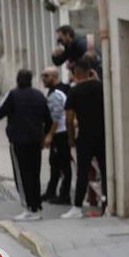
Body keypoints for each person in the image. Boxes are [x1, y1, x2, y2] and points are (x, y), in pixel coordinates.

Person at [0, 69, 52, 221]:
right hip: (36, 141)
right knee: (34, 173)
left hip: (19, 141)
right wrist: (46, 136)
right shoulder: (39, 95)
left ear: (18, 80)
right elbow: (48, 118)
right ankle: (36, 205)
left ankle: (28, 208)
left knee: (22, 174)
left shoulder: (13, 95)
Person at [62, 54, 106, 219]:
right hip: (102, 135)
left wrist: (71, 138)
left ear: (75, 73)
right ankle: (106, 204)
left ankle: (77, 207)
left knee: (82, 172)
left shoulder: (74, 91)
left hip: (85, 136)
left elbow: (69, 118)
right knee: (105, 169)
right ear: (90, 71)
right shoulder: (101, 86)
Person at [40, 66, 71, 206]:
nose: (43, 79)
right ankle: (51, 191)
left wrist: (49, 135)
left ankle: (64, 195)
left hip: (60, 134)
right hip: (58, 133)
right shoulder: (56, 91)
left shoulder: (56, 93)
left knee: (63, 165)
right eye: (43, 76)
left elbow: (57, 117)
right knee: (54, 163)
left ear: (54, 77)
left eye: (46, 76)